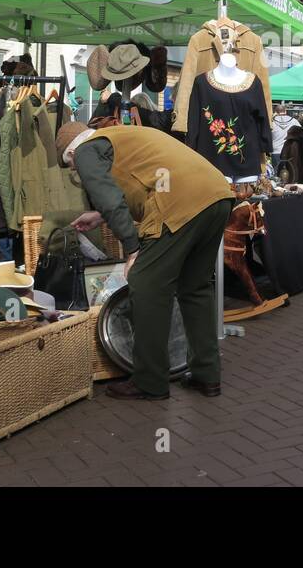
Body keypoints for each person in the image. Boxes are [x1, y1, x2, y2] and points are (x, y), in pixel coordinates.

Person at [57, 120, 235, 400]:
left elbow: (109, 197)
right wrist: (100, 215)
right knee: (195, 288)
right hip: (217, 194)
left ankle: (150, 381)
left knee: (144, 283)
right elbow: (136, 181)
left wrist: (132, 248)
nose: (77, 172)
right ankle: (206, 374)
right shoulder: (121, 136)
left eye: (73, 169)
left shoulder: (84, 151)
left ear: (70, 154)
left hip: (180, 201)